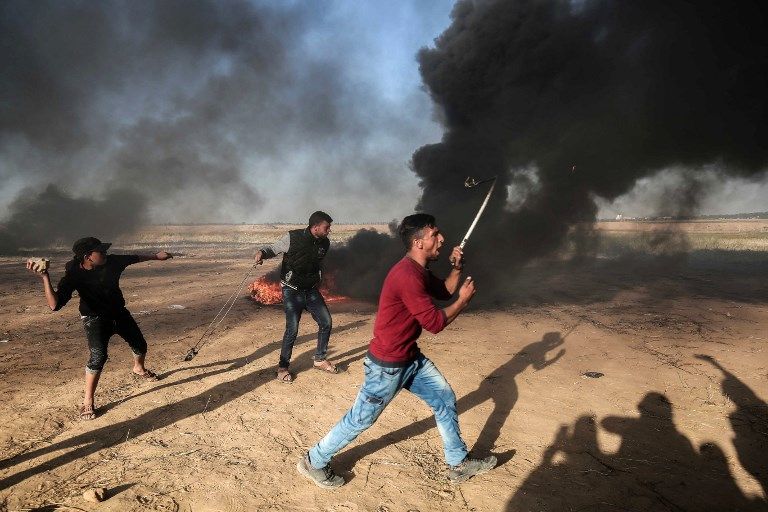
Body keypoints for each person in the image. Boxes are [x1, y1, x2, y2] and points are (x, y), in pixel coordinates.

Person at [297, 213, 497, 488]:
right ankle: (314, 460)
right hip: (387, 365)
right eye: (434, 235)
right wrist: (462, 301)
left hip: (409, 358)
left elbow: (443, 290)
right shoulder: (407, 275)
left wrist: (457, 268)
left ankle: (458, 463)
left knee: (443, 398)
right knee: (360, 419)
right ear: (418, 242)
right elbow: (435, 322)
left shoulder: (418, 270)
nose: (442, 239)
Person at [26, 237, 173, 420]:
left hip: (119, 313)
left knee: (140, 345)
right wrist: (45, 277)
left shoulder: (112, 262)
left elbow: (134, 257)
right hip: (94, 318)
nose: (105, 254)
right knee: (98, 356)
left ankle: (138, 368)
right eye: (100, 251)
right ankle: (88, 400)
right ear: (88, 256)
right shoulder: (73, 274)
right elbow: (54, 305)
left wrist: (156, 256)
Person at [254, 211, 338, 382]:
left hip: (311, 291)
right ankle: (283, 367)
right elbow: (274, 248)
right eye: (326, 227)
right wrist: (262, 253)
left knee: (326, 322)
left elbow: (317, 264)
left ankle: (320, 359)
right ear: (315, 227)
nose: (329, 230)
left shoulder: (325, 243)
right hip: (292, 291)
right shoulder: (293, 238)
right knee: (292, 329)